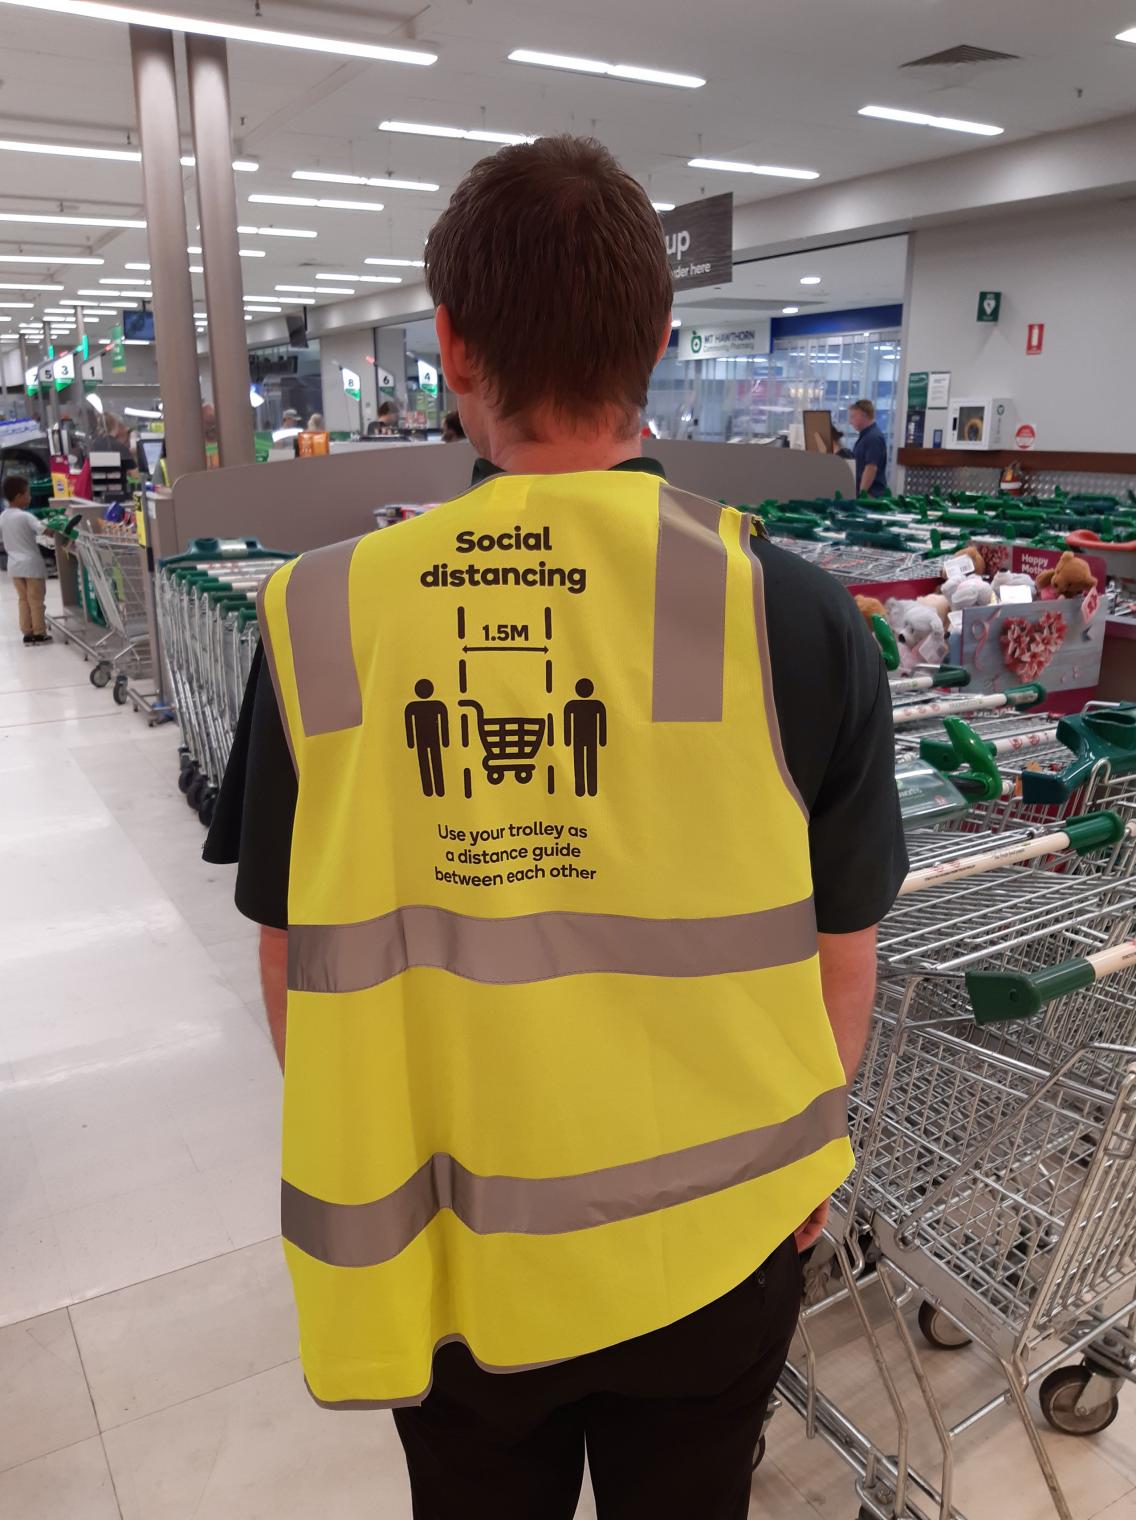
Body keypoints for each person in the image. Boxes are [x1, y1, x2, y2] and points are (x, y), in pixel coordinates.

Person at [204, 135, 905, 1520]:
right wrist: (805, 1154)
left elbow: (294, 965)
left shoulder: (324, 617)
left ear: (452, 346)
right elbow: (844, 959)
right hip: (719, 1249)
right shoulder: (798, 615)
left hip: (452, 1263)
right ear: (654, 341)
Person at [1, 475, 51, 645]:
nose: (29, 498)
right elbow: (45, 531)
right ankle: (39, 633)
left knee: (23, 600)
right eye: (27, 494)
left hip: (14, 566)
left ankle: (27, 633)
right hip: (31, 565)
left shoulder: (3, 517)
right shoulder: (25, 516)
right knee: (36, 600)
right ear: (18, 497)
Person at [848, 398, 888, 497]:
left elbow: (871, 468)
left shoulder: (873, 438)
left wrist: (862, 494)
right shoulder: (866, 436)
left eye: (853, 417)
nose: (850, 421)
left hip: (871, 495)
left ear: (864, 415)